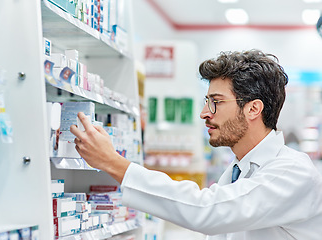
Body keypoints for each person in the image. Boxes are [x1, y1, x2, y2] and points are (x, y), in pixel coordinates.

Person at [70, 49, 322, 240]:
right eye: (206, 101)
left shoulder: (292, 172)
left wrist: (114, 163)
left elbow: (207, 211)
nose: (204, 112)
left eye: (216, 102)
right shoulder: (239, 170)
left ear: (253, 108)